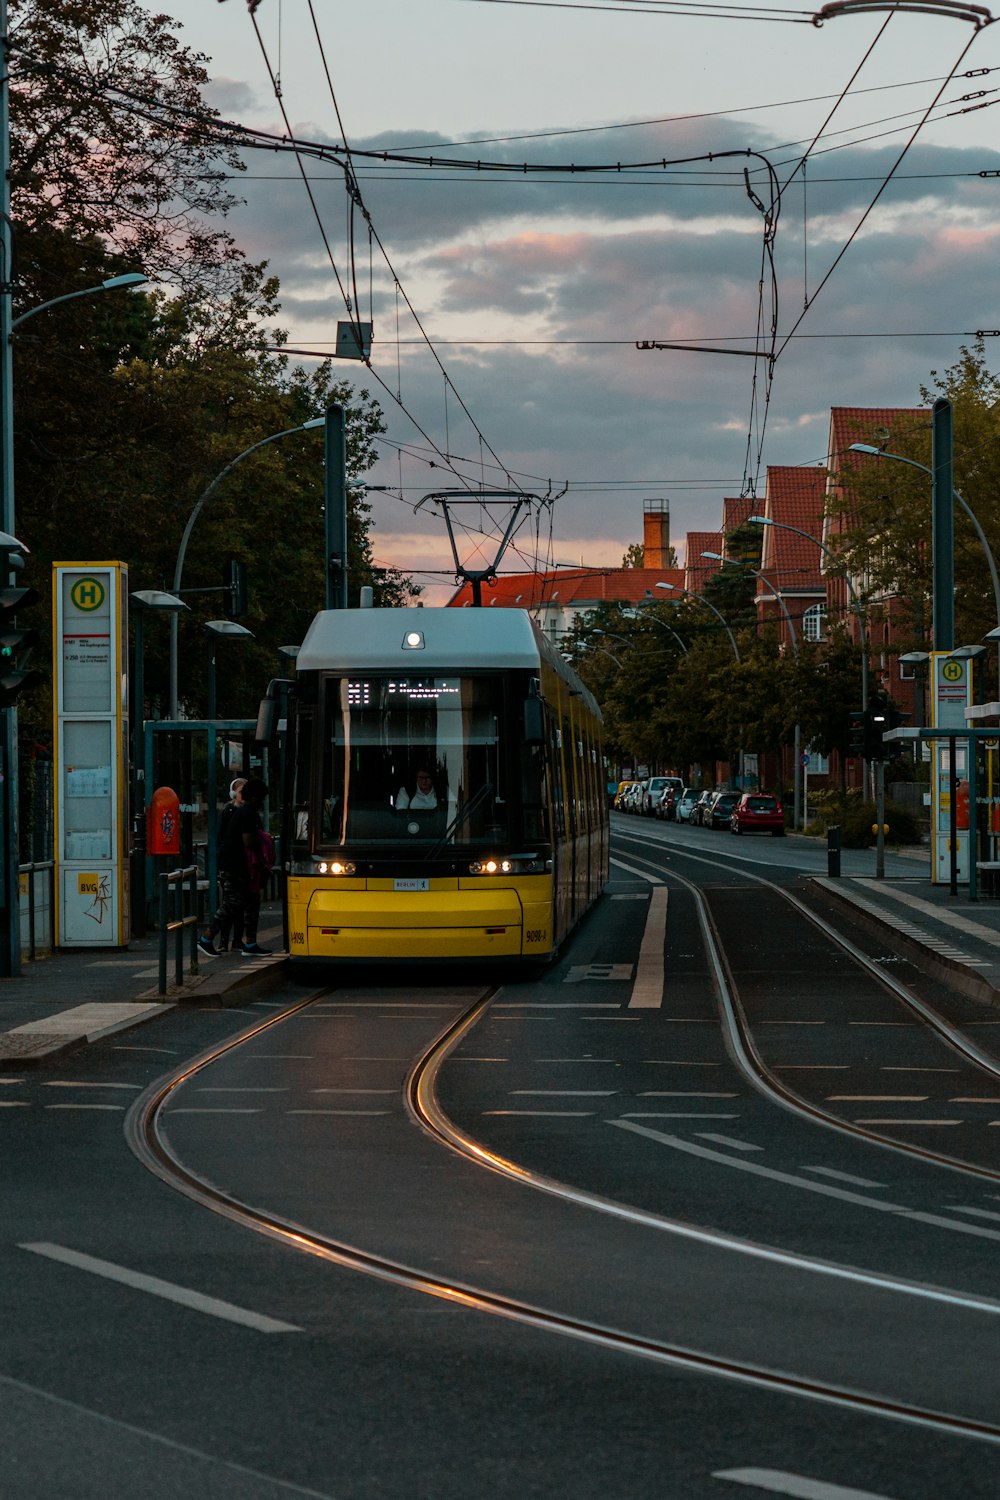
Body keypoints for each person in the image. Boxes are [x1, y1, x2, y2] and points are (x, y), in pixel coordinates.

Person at [199, 777, 273, 957]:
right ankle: (206, 938)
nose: (261, 802)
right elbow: (248, 841)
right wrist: (262, 860)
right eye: (261, 798)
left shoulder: (244, 812)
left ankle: (250, 943)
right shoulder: (246, 813)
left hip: (238, 865)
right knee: (233, 903)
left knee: (251, 903)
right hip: (237, 866)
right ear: (255, 797)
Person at [215, 777, 246, 952]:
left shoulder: (245, 811)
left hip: (241, 863)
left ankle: (236, 939)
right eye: (241, 791)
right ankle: (223, 939)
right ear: (234, 793)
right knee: (229, 902)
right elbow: (220, 837)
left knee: (239, 903)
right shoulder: (228, 811)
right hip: (230, 864)